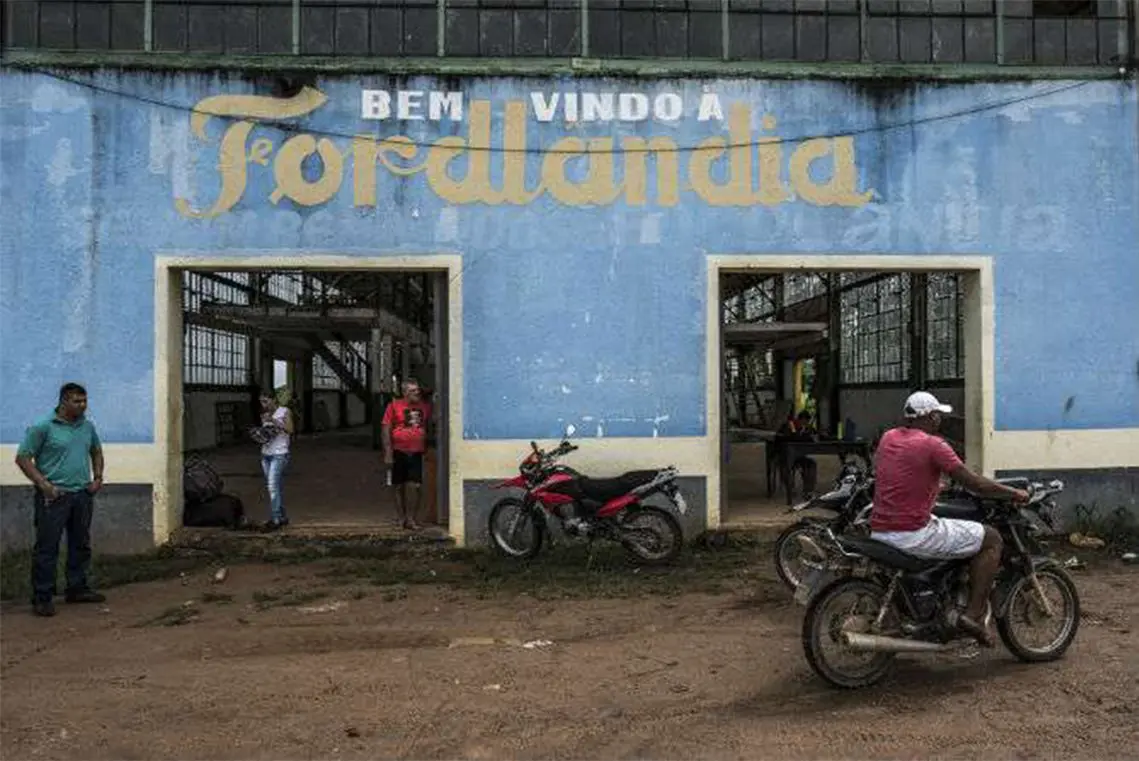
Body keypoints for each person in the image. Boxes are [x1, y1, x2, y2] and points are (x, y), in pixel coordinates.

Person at [869, 391, 1029, 646]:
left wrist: (933, 486)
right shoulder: (934, 445)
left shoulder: (889, 437)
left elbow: (904, 472)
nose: (940, 420)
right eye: (938, 415)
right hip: (912, 534)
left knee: (953, 531)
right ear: (932, 417)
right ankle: (973, 616)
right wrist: (1014, 493)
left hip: (880, 529)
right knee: (991, 539)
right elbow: (975, 483)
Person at [14, 383, 107, 617]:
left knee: (80, 543)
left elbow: (96, 450)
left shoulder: (87, 426)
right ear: (64, 401)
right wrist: (44, 485)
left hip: (82, 495)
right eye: (77, 401)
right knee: (47, 547)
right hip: (54, 497)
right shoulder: (43, 426)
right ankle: (42, 597)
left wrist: (97, 478)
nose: (83, 406)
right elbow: (23, 458)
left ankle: (77, 588)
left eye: (84, 401)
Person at [381, 379, 432, 531]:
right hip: (398, 451)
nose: (416, 393)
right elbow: (386, 429)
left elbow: (431, 423)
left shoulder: (425, 406)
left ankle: (411, 519)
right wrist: (388, 453)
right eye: (412, 391)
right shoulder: (394, 406)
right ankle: (401, 518)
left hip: (417, 452)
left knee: (415, 486)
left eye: (417, 390)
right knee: (398, 485)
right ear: (404, 393)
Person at [258, 389, 294, 531]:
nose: (264, 404)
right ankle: (282, 516)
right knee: (274, 486)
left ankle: (275, 519)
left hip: (280, 453)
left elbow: (290, 429)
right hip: (266, 453)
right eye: (261, 402)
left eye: (266, 401)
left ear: (274, 399)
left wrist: (273, 421)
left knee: (272, 486)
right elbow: (266, 434)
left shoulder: (284, 412)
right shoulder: (264, 414)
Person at [777, 409, 819, 497]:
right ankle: (790, 488)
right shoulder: (790, 425)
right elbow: (789, 437)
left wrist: (812, 435)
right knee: (786, 467)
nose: (805, 423)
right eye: (804, 421)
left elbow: (815, 435)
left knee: (811, 465)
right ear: (800, 419)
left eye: (807, 421)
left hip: (799, 456)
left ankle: (808, 490)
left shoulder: (807, 427)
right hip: (785, 455)